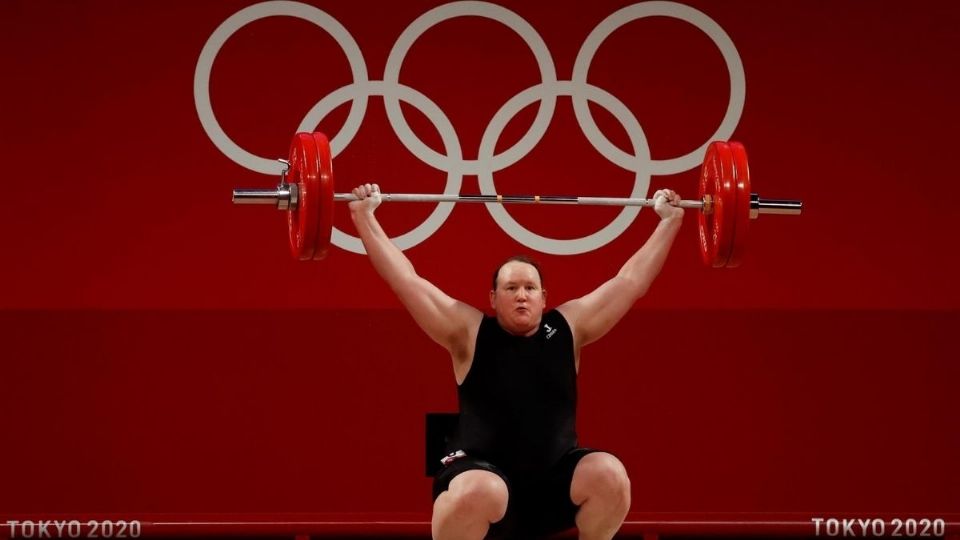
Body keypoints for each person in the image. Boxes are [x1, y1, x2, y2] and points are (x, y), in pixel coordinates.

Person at [349, 183, 684, 540]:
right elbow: (406, 280)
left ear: (544, 298)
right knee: (480, 491)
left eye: (529, 288)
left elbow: (630, 281)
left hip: (550, 488)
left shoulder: (570, 327)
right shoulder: (467, 332)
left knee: (610, 475)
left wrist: (669, 222)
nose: (521, 296)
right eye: (511, 289)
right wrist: (364, 217)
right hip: (482, 481)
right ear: (493, 298)